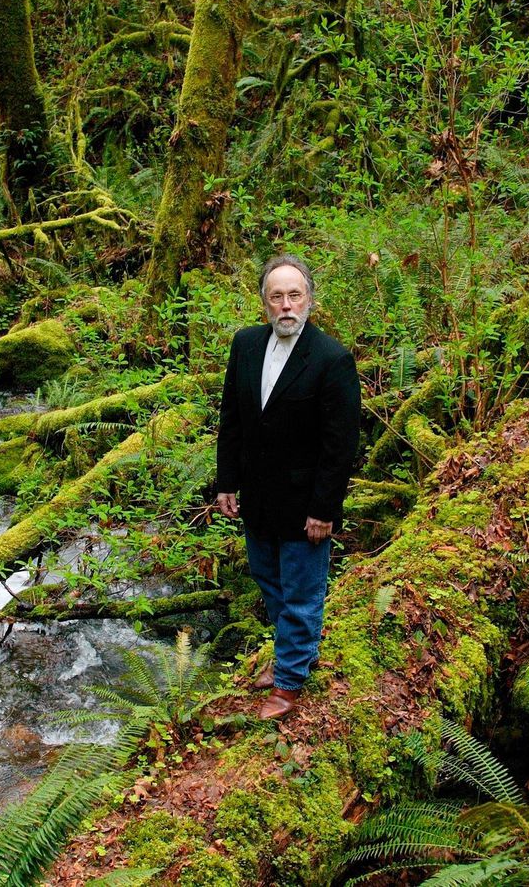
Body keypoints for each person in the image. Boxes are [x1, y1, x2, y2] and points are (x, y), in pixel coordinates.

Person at [215, 254, 361, 721]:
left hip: (305, 504)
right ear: (264, 303)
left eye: (294, 295)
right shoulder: (246, 345)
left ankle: (290, 681)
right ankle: (292, 656)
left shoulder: (332, 359)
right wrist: (226, 483)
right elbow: (232, 420)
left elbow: (341, 445)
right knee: (269, 582)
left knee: (302, 592)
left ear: (310, 300)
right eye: (276, 296)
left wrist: (325, 508)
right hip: (257, 496)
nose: (285, 305)